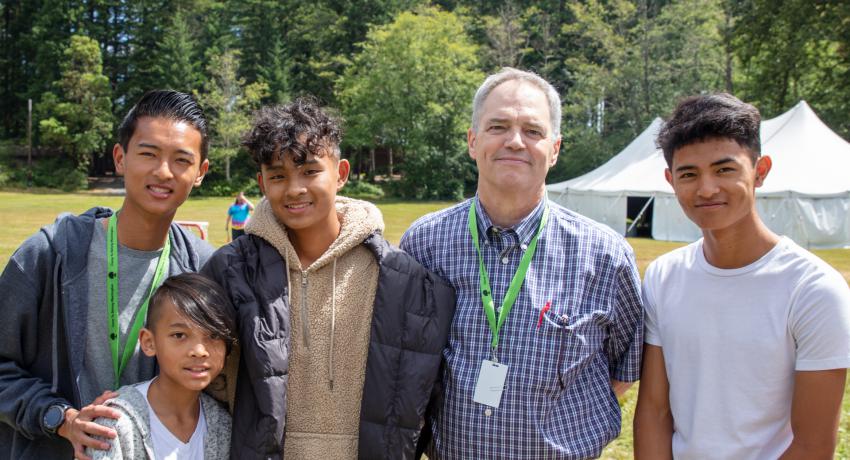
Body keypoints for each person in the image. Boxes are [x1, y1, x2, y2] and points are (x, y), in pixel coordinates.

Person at [400, 67, 644, 459]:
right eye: (498, 126)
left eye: (533, 131)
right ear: (473, 141)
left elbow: (622, 369)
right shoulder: (424, 243)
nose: (514, 141)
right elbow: (404, 355)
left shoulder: (605, 256)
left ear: (555, 149)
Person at [201, 98, 455, 459]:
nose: (294, 189)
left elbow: (422, 394)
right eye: (278, 176)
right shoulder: (231, 271)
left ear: (341, 173)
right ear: (261, 182)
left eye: (310, 171)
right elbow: (203, 375)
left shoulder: (402, 279)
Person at [633, 93, 850, 459]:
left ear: (760, 171)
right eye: (689, 174)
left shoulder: (814, 290)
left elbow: (813, 445)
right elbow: (654, 410)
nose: (706, 188)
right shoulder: (663, 277)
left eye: (724, 169)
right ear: (671, 180)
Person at [0, 90, 214, 460]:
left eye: (181, 160)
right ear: (120, 158)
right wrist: (61, 419)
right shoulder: (49, 256)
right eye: (148, 154)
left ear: (200, 173)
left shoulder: (205, 271)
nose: (163, 172)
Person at [87, 273, 234, 460]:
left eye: (213, 336)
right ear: (149, 342)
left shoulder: (222, 425)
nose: (199, 351)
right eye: (179, 335)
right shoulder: (115, 424)